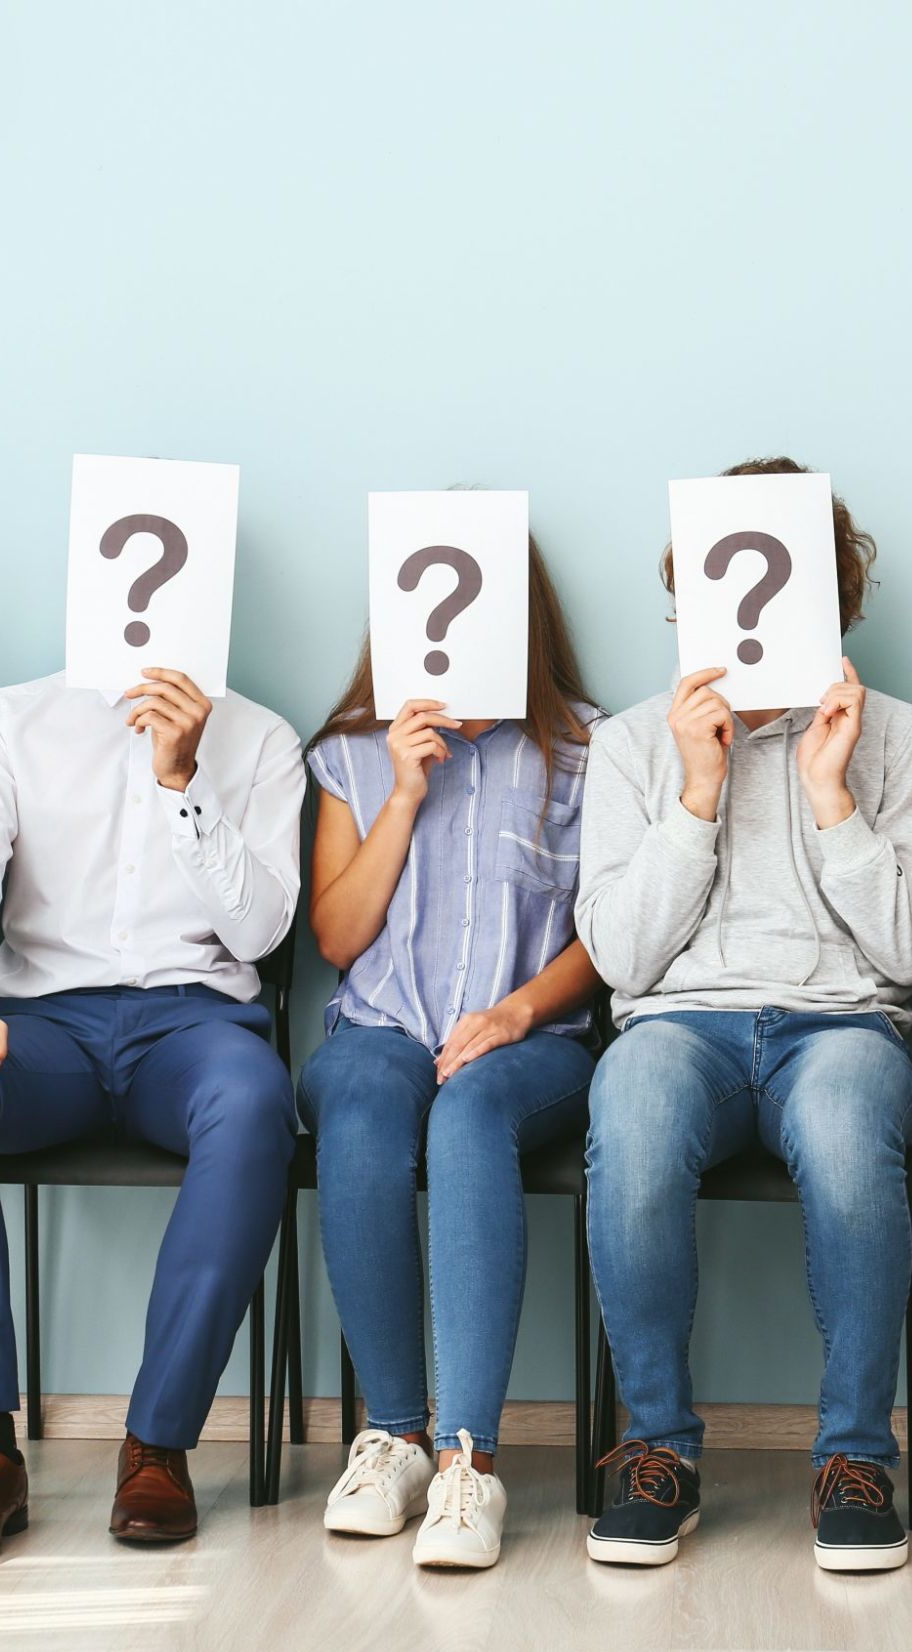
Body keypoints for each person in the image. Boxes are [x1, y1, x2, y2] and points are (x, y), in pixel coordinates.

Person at [576, 458, 912, 1573]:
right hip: (674, 1025)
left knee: (846, 1130)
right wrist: (696, 790)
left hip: (842, 1027)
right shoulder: (635, 741)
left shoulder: (896, 734)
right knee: (633, 1111)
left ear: (828, 598)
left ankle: (854, 1457)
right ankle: (656, 1448)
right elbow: (618, 955)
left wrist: (832, 796)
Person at [0, 652, 302, 1562]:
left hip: (194, 1025)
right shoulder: (6, 717)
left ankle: (160, 1439)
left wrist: (182, 779)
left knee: (256, 1097)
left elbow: (262, 934)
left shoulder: (261, 737)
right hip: (42, 1027)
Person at [298, 538, 605, 1570]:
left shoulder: (585, 750)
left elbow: (606, 939)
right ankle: (392, 1435)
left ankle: (467, 1457)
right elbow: (337, 938)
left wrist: (517, 1012)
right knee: (362, 1114)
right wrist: (402, 792)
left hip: (533, 1042)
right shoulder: (347, 750)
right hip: (381, 1029)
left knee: (471, 1114)